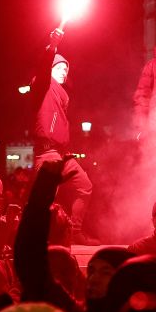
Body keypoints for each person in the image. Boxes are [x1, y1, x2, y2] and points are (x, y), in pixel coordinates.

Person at [30, 28, 95, 245]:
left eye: (66, 68)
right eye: (58, 67)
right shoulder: (42, 86)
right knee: (45, 199)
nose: (63, 71)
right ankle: (42, 239)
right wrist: (52, 46)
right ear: (49, 68)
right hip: (47, 153)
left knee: (84, 185)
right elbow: (41, 67)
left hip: (62, 154)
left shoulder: (62, 94)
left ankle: (74, 231)